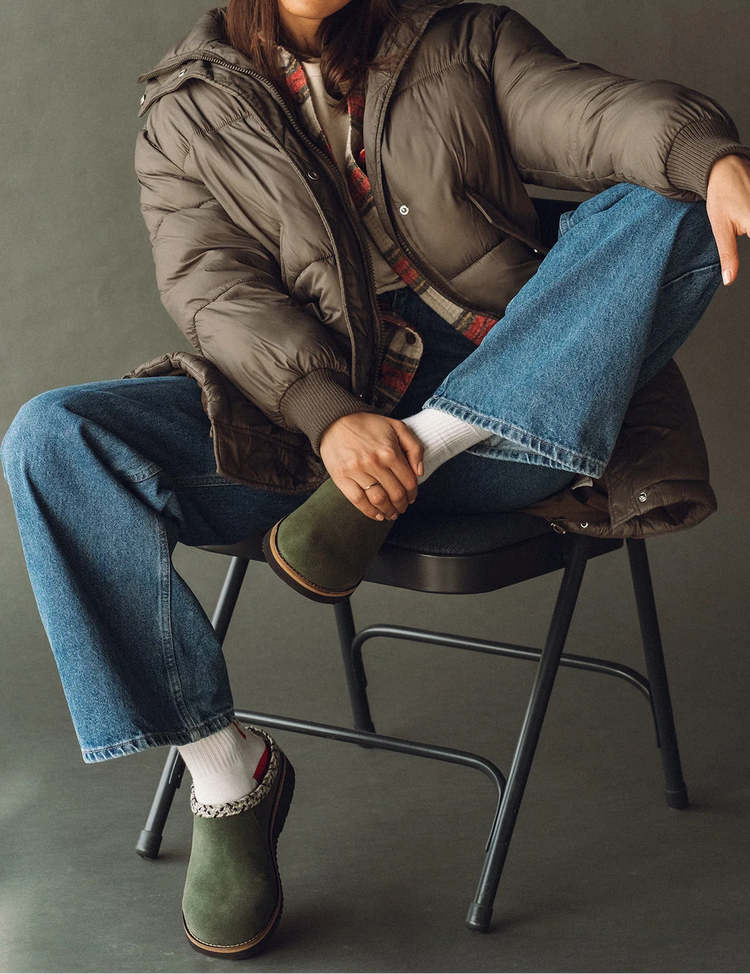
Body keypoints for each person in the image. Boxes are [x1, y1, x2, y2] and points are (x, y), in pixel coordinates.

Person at [2, 0, 750, 959]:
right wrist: (332, 418)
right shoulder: (185, 108)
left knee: (672, 197)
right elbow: (215, 289)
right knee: (53, 436)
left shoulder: (462, 38)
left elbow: (597, 114)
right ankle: (227, 774)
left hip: (509, 425)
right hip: (307, 437)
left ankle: (426, 444)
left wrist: (710, 156)